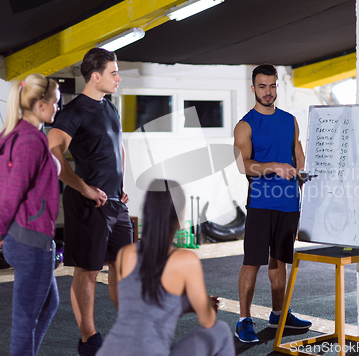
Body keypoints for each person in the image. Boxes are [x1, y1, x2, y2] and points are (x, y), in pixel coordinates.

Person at [47, 48, 133, 356]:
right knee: (87, 270)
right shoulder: (74, 111)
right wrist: (83, 188)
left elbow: (117, 146)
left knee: (122, 266)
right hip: (88, 204)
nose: (118, 78)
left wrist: (122, 184)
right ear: (95, 77)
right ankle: (89, 339)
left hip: (115, 202)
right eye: (113, 73)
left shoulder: (109, 107)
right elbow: (53, 154)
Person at [96, 179, 235, 356]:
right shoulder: (185, 260)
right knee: (220, 330)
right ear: (180, 214)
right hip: (150, 352)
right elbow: (207, 320)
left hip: (110, 351)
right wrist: (203, 303)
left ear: (147, 211)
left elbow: (139, 307)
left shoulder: (126, 254)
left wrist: (186, 304)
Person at [233, 64, 312, 343]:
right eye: (262, 86)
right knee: (252, 261)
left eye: (272, 86)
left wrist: (301, 174)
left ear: (277, 86)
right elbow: (244, 165)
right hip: (262, 202)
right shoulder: (245, 124)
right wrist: (275, 167)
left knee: (280, 261)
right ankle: (243, 320)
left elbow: (298, 155)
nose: (268, 92)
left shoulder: (290, 120)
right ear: (253, 88)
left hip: (289, 203)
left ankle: (280, 313)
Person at [0, 74, 60, 355]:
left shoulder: (12, 135)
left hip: (23, 238)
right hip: (30, 242)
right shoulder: (30, 140)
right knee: (25, 321)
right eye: (55, 103)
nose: (56, 109)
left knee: (48, 304)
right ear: (39, 106)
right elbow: (11, 193)